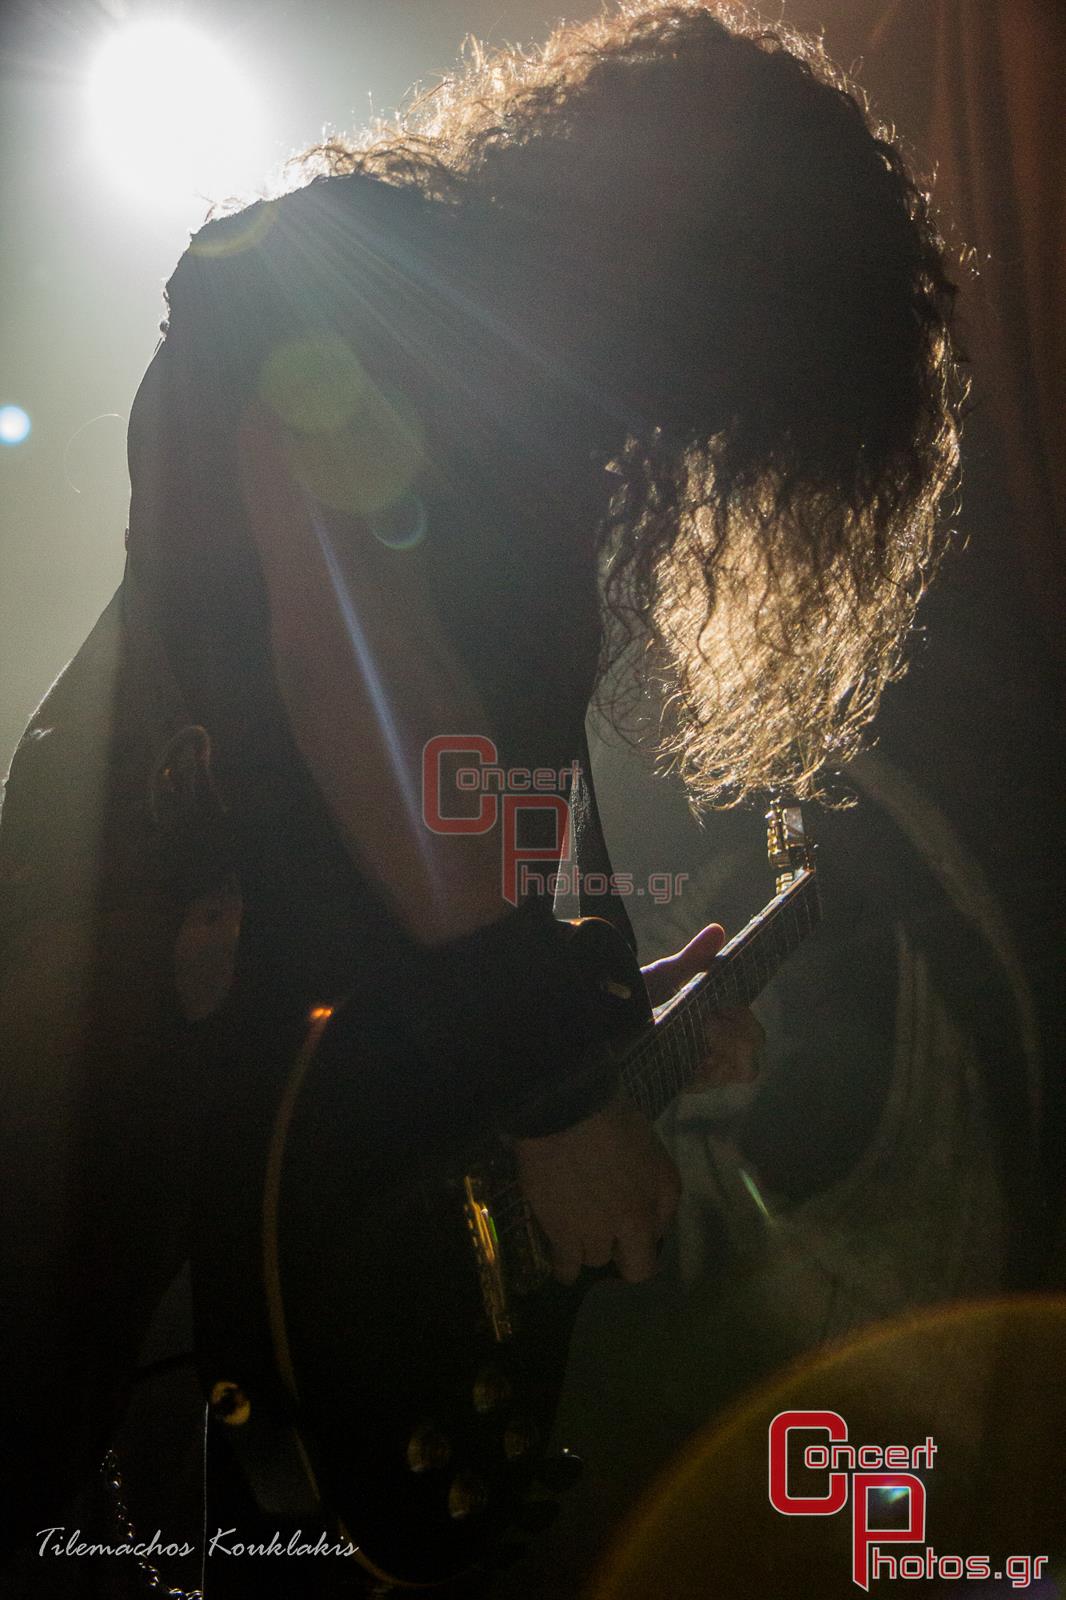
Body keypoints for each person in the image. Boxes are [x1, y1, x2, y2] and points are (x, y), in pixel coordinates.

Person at [0, 0, 962, 1581]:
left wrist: (609, 1018)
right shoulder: (347, 264)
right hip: (126, 1023)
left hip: (282, 1091)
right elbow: (352, 670)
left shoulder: (532, 422)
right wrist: (558, 1088)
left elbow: (460, 799)